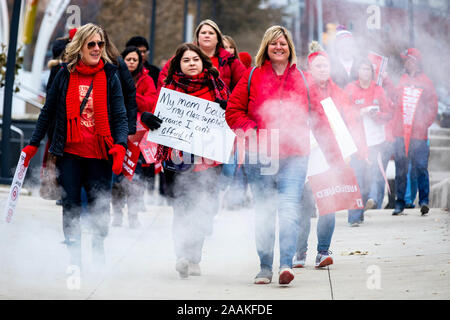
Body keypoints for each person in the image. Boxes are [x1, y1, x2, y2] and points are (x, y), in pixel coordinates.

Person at [226, 27, 344, 285]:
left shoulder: (303, 79)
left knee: (289, 209)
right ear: (265, 47)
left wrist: (335, 157)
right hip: (260, 155)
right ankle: (265, 266)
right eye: (273, 43)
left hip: (295, 155)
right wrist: (251, 130)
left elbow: (321, 121)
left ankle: (286, 264)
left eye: (283, 43)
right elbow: (233, 111)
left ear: (290, 47)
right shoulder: (252, 76)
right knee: (265, 211)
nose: (279, 47)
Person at [21, 23, 129, 268]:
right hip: (69, 153)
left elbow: (121, 115)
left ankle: (98, 249)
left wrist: (121, 145)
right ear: (79, 46)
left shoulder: (111, 75)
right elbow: (47, 112)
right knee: (70, 204)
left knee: (98, 204)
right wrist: (33, 144)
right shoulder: (64, 74)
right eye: (91, 44)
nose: (96, 48)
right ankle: (74, 256)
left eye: (100, 44)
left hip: (100, 154)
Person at [150, 43, 229, 278]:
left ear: (203, 62)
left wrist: (228, 109)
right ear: (178, 64)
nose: (191, 63)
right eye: (186, 60)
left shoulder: (217, 87)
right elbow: (156, 118)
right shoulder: (169, 88)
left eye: (195, 59)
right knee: (182, 209)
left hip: (208, 161)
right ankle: (182, 256)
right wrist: (149, 119)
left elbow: (233, 117)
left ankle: (195, 257)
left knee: (203, 209)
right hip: (178, 160)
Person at [293, 41, 349, 270]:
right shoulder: (301, 88)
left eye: (326, 65)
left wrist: (352, 151)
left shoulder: (338, 92)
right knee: (304, 208)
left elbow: (348, 124)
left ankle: (323, 251)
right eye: (318, 65)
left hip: (329, 156)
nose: (323, 69)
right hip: (304, 155)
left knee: (328, 205)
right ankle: (299, 252)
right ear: (310, 68)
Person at [110, 46, 158, 228]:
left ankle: (134, 214)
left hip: (139, 137)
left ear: (140, 62)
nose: (131, 63)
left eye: (134, 60)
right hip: (118, 133)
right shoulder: (114, 75)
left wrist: (131, 95)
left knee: (135, 179)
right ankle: (117, 213)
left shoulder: (146, 80)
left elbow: (150, 103)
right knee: (117, 177)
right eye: (128, 59)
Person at [391, 48, 438, 216]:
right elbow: (394, 103)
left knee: (420, 167)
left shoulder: (426, 81)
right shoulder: (401, 80)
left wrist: (423, 123)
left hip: (418, 133)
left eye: (410, 60)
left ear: (417, 62)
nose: (407, 63)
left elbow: (433, 106)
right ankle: (400, 202)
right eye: (406, 60)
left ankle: (424, 201)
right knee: (401, 169)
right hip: (401, 133)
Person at [344, 58, 391, 224]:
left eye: (369, 70)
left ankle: (366, 205)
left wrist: (377, 115)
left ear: (372, 73)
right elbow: (344, 112)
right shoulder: (350, 89)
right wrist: (361, 112)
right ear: (357, 71)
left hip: (375, 142)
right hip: (356, 142)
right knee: (357, 178)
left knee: (370, 178)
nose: (366, 72)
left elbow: (388, 114)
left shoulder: (379, 90)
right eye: (363, 69)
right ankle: (354, 217)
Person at [157, 19, 246, 92]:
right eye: (203, 33)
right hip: (183, 107)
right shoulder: (181, 56)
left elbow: (244, 85)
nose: (207, 35)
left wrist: (229, 103)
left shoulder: (230, 60)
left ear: (218, 39)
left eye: (211, 33)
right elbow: (163, 80)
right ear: (197, 37)